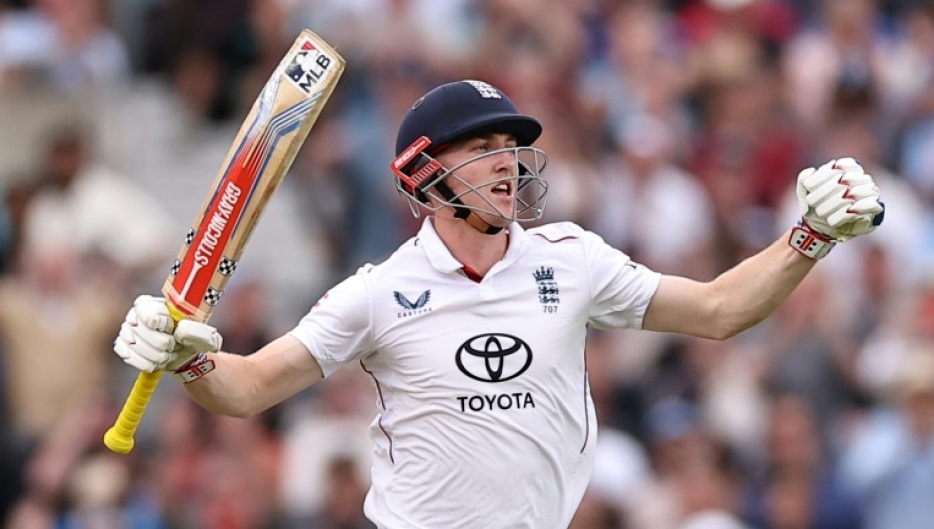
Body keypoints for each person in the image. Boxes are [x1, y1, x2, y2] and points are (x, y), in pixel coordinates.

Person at [112, 79, 884, 528]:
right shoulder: (378, 292)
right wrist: (190, 359)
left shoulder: (572, 259)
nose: (507, 163)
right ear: (424, 175)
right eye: (482, 149)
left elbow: (718, 310)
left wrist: (809, 236)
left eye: (510, 147)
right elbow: (247, 387)